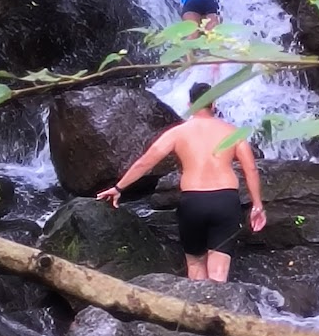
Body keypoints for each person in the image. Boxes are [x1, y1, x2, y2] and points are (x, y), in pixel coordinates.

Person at [97, 83, 266, 282]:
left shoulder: (178, 133)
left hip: (193, 202)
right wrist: (257, 206)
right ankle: (217, 309)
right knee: (218, 274)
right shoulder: (232, 132)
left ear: (190, 104)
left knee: (195, 265)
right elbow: (251, 169)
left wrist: (118, 188)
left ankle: (195, 310)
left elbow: (146, 162)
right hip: (225, 201)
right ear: (213, 104)